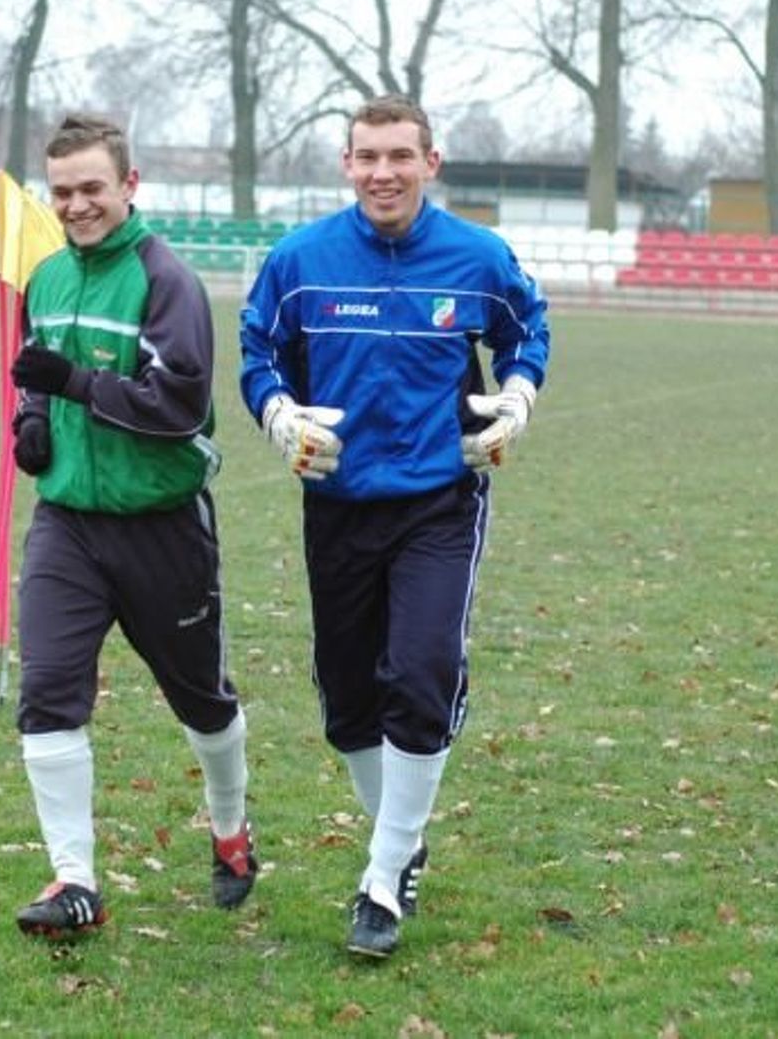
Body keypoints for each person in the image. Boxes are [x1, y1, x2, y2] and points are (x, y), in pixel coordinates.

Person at [239, 94, 550, 959]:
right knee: (348, 701)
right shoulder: (299, 261)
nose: (383, 172)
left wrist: (517, 398)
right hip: (336, 507)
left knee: (421, 672)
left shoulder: (477, 257)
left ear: (430, 162)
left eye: (399, 156)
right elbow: (257, 353)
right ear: (345, 163)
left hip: (438, 502)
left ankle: (381, 881)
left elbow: (530, 328)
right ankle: (403, 841)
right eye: (366, 156)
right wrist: (276, 418)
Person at [6, 112, 256, 940]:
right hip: (68, 524)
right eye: (63, 192)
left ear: (128, 187)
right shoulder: (44, 277)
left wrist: (70, 385)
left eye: (91, 189)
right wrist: (32, 417)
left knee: (202, 704)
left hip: (162, 528)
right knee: (46, 692)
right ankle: (75, 881)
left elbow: (177, 407)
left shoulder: (166, 281)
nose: (77, 205)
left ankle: (229, 830)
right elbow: (34, 370)